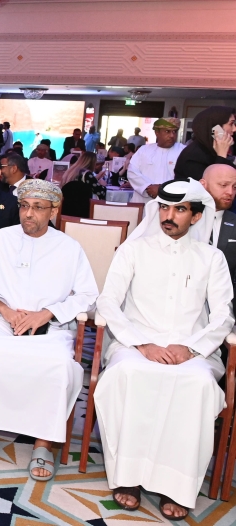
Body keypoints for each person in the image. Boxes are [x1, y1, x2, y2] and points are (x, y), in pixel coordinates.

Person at [95, 179, 233, 520]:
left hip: (193, 351)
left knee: (199, 385)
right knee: (127, 373)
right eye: (165, 208)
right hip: (135, 345)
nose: (169, 216)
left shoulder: (211, 258)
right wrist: (142, 343)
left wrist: (190, 349)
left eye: (180, 210)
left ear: (197, 217)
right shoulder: (134, 249)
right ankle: (128, 477)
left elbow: (223, 315)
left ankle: (177, 486)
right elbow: (109, 303)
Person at [0, 180, 99, 481]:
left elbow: (87, 296)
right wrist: (3, 308)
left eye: (38, 208)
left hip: (49, 326)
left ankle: (43, 443)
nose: (28, 214)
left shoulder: (70, 248)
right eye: (24, 206)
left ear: (54, 211)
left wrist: (45, 314)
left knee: (57, 364)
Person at [201, 164, 236, 313]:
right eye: (223, 185)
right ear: (203, 185)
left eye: (235, 187)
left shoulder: (234, 223)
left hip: (226, 307)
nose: (230, 192)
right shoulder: (182, 219)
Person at [127, 118, 185, 202]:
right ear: (157, 132)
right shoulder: (144, 150)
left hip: (170, 201)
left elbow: (186, 177)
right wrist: (148, 187)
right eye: (167, 131)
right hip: (144, 201)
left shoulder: (183, 151)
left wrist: (162, 189)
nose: (172, 135)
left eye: (174, 132)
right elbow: (132, 171)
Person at [174, 106, 236, 181]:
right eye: (231, 124)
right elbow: (216, 186)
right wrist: (221, 156)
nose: (234, 129)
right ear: (216, 128)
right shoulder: (193, 155)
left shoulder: (211, 150)